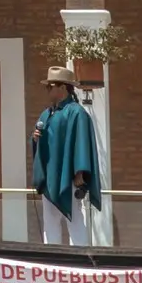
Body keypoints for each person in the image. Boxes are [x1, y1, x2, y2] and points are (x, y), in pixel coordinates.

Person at [31, 65, 103, 246]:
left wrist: (80, 173)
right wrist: (35, 139)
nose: (48, 90)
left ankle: (80, 260)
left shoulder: (76, 113)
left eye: (51, 86)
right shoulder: (46, 114)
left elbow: (82, 142)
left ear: (63, 87)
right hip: (49, 177)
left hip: (68, 177)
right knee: (50, 221)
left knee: (75, 219)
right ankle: (52, 262)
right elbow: (43, 145)